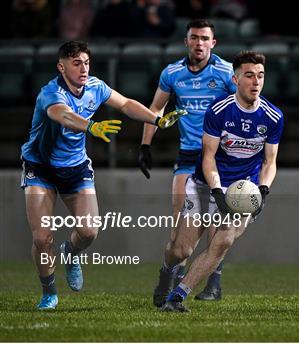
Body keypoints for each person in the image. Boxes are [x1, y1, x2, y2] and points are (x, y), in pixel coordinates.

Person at [20, 40, 180, 310]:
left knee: (89, 231)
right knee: (42, 238)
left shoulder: (95, 86)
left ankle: (70, 254)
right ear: (61, 67)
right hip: (41, 167)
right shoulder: (51, 93)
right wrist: (91, 126)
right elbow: (63, 115)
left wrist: (157, 120)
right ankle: (49, 293)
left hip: (75, 167)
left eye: (86, 62)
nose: (83, 68)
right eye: (76, 63)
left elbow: (127, 103)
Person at [160, 50, 284, 312]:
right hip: (206, 185)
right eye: (249, 76)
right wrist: (216, 190)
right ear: (236, 79)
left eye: (260, 76)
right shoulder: (218, 110)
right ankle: (166, 272)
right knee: (181, 250)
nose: (256, 82)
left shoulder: (273, 117)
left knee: (223, 242)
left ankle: (178, 296)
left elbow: (270, 162)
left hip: (242, 188)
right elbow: (208, 157)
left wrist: (263, 190)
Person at [139, 19, 236, 307]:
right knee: (181, 223)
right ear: (186, 41)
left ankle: (213, 284)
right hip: (188, 156)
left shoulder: (226, 72)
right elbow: (156, 109)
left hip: (219, 157)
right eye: (194, 37)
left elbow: (241, 106)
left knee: (218, 222)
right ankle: (167, 278)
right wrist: (145, 144)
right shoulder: (172, 73)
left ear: (213, 43)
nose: (199, 43)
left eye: (205, 38)